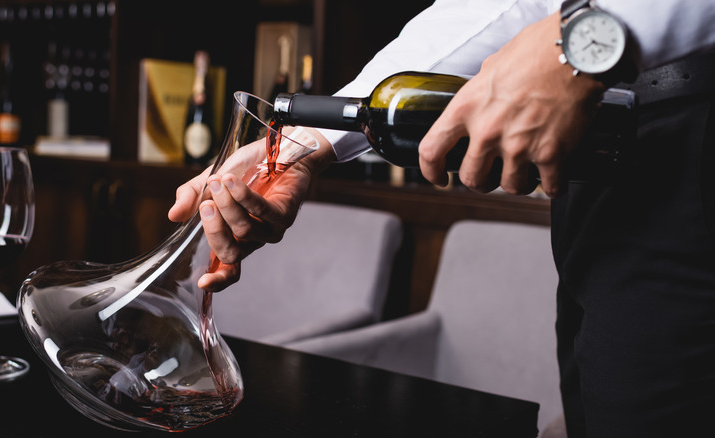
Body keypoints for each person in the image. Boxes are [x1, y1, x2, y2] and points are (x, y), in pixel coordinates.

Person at [168, 1, 715, 436]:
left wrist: (591, 35)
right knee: (601, 406)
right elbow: (506, 6)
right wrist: (306, 143)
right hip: (608, 156)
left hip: (689, 133)